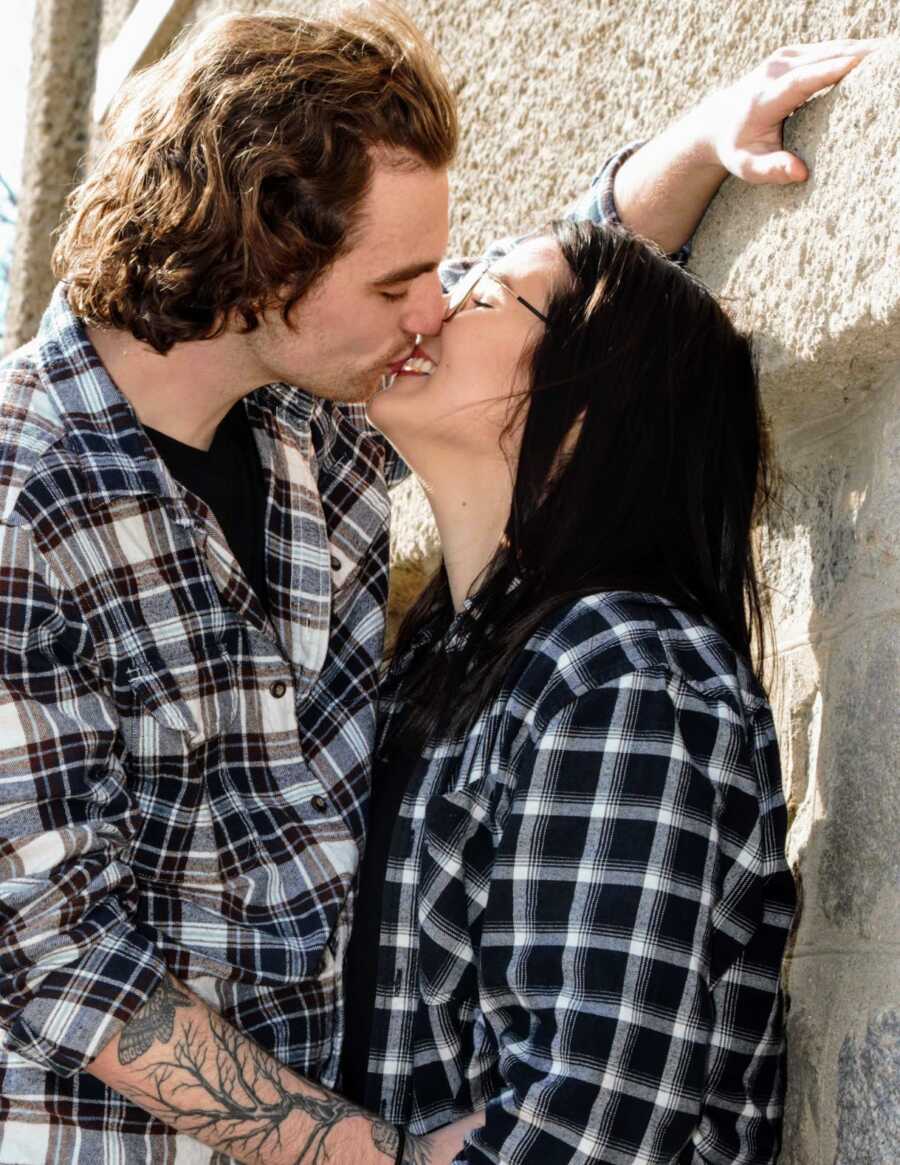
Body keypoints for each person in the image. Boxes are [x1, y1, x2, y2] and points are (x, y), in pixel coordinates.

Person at [0, 0, 874, 1158]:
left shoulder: (323, 401)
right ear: (266, 259)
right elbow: (47, 942)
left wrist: (703, 136)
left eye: (443, 280)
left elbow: (566, 342)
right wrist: (367, 1155)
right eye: (401, 283)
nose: (429, 310)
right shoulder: (27, 495)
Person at [349, 218, 797, 1163]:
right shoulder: (437, 662)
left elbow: (583, 1126)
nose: (430, 307)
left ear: (588, 406)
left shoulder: (622, 674)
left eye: (485, 293)